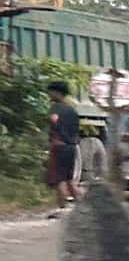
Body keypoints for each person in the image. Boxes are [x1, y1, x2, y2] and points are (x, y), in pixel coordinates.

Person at [46, 82, 80, 214]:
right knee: (69, 179)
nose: (49, 94)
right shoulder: (72, 110)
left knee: (59, 179)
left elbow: (54, 121)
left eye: (51, 92)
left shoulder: (55, 108)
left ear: (57, 93)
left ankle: (62, 209)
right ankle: (83, 205)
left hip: (59, 147)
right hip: (71, 147)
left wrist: (54, 138)